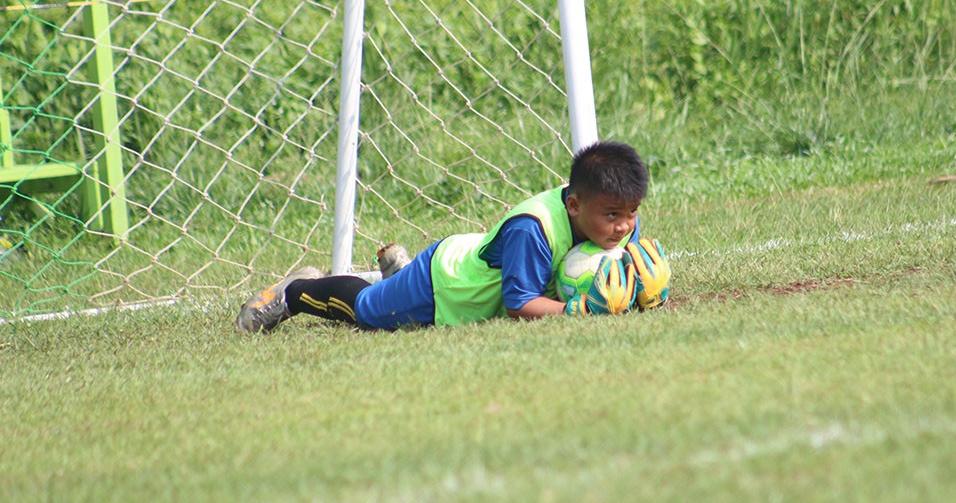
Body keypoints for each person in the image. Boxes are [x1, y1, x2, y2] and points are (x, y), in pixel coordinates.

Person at [235, 140, 671, 333]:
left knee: (382, 299)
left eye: (631, 213)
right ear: (574, 205)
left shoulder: (615, 221)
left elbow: (622, 274)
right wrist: (581, 311)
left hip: (464, 274)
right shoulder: (533, 229)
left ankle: (396, 274)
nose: (624, 227)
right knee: (366, 312)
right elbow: (520, 306)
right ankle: (294, 293)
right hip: (446, 285)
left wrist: (645, 291)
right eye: (613, 215)